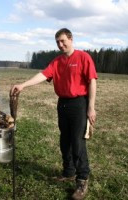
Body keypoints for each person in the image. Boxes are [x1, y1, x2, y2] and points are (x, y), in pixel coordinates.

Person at [10, 28, 98, 200]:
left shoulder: (83, 57)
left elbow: (92, 81)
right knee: (64, 140)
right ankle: (68, 172)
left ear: (71, 39)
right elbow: (43, 75)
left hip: (79, 103)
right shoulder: (57, 62)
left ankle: (82, 180)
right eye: (57, 42)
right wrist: (23, 85)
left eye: (63, 41)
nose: (60, 44)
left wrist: (91, 107)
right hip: (63, 104)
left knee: (77, 142)